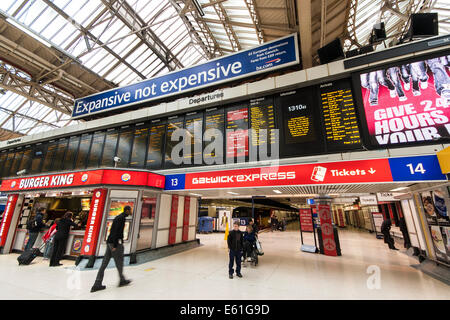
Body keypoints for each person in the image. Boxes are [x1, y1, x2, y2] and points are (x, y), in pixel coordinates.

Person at [91, 206, 132, 292]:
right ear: (127, 211)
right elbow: (117, 232)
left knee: (104, 263)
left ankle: (97, 283)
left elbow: (112, 231)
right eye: (130, 210)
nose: (131, 212)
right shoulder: (121, 218)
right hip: (114, 243)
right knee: (119, 262)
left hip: (110, 242)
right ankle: (122, 280)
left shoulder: (118, 217)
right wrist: (115, 245)